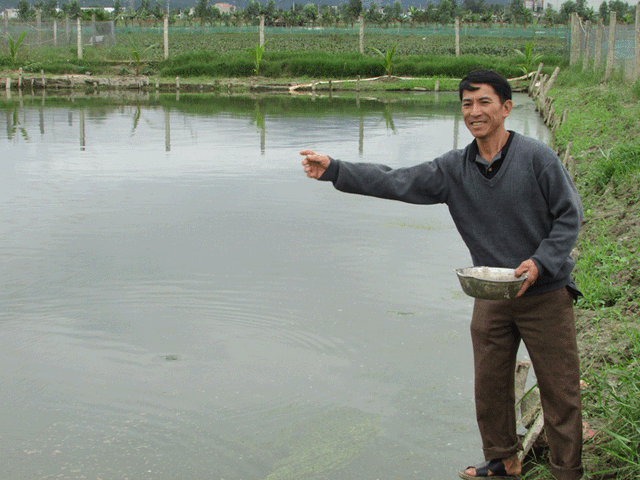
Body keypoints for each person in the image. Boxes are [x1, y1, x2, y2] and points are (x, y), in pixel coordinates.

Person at [300, 69, 584, 480]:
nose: (474, 111)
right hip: (491, 292)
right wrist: (335, 170)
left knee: (561, 390)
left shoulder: (537, 158)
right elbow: (396, 180)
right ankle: (504, 461)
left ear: (506, 108)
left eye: (484, 102)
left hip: (545, 292)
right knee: (489, 386)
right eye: (467, 104)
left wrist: (541, 262)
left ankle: (567, 472)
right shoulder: (453, 169)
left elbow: (568, 215)